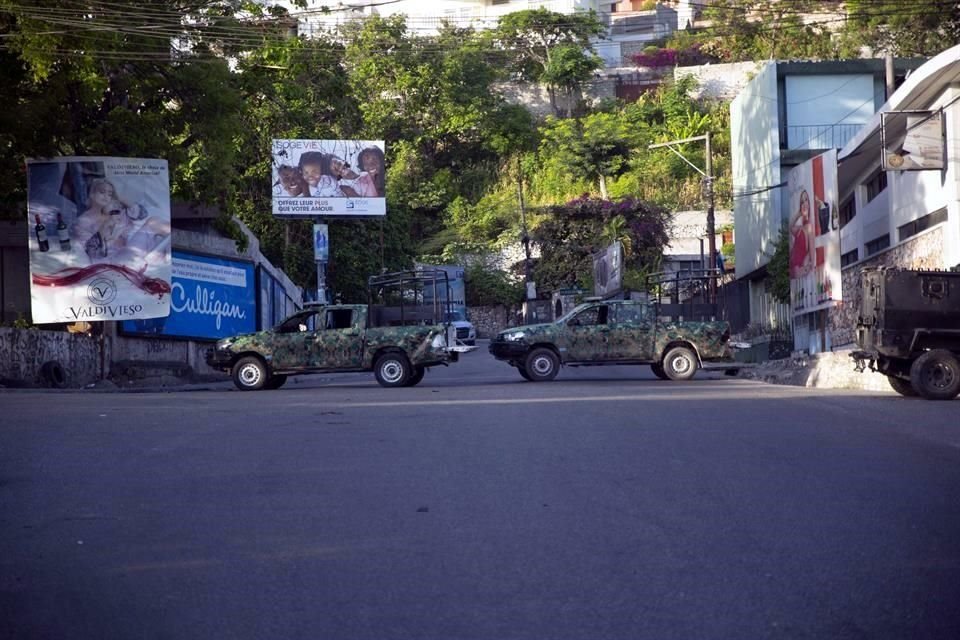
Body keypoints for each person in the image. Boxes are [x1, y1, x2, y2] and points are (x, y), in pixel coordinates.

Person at [73, 178, 170, 266]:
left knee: (154, 222)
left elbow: (142, 214)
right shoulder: (83, 220)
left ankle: (176, 255)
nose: (106, 196)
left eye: (110, 194)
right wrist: (106, 230)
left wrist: (120, 199)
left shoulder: (113, 211)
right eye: (102, 192)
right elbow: (92, 252)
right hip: (111, 262)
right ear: (92, 194)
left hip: (126, 251)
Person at [789, 189, 812, 279]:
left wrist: (806, 266)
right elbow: (790, 226)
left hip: (800, 270)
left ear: (809, 203)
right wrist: (799, 213)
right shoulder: (800, 229)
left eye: (806, 200)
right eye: (802, 202)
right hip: (794, 269)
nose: (804, 204)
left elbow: (810, 253)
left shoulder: (811, 227)